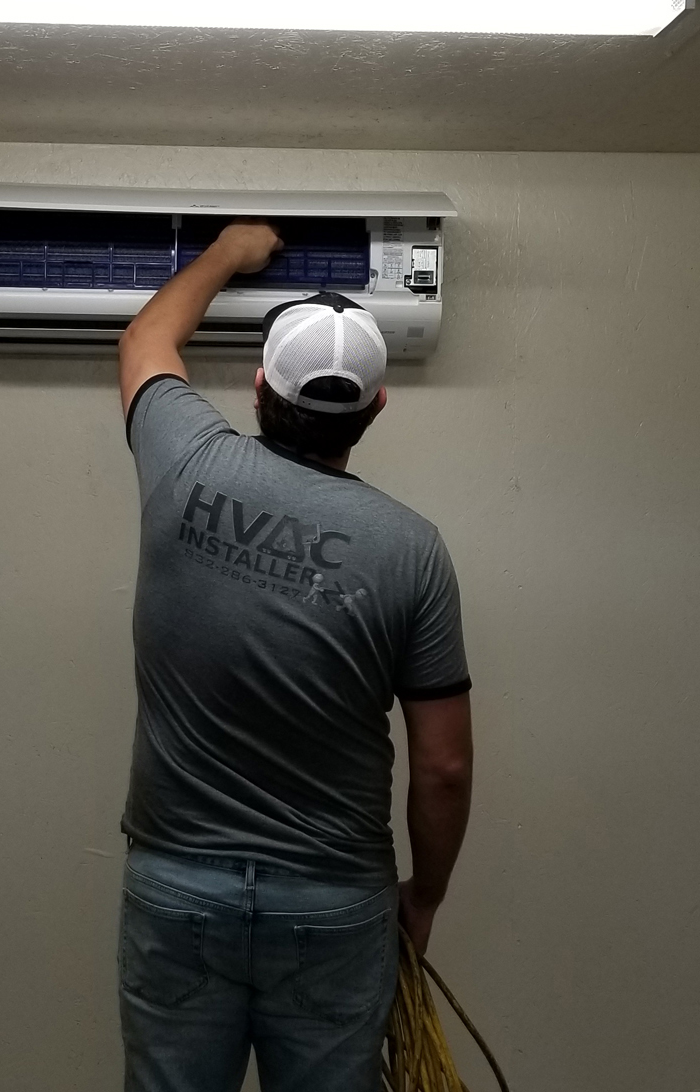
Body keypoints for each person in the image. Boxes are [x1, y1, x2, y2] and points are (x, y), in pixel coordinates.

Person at [117, 220, 473, 1092]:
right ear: (376, 406)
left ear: (257, 388)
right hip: (334, 901)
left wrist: (233, 254)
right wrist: (423, 897)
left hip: (177, 883)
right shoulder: (413, 549)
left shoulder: (184, 459)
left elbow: (147, 337)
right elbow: (445, 767)